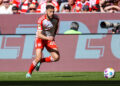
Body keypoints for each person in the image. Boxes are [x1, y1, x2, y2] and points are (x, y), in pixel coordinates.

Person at [26, 5, 60, 78]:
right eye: (50, 11)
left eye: (53, 11)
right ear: (46, 12)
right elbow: (39, 34)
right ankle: (29, 73)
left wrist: (53, 35)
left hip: (49, 39)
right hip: (40, 39)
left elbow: (56, 26)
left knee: (56, 57)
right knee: (37, 57)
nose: (52, 13)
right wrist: (48, 38)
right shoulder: (41, 20)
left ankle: (41, 61)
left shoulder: (56, 18)